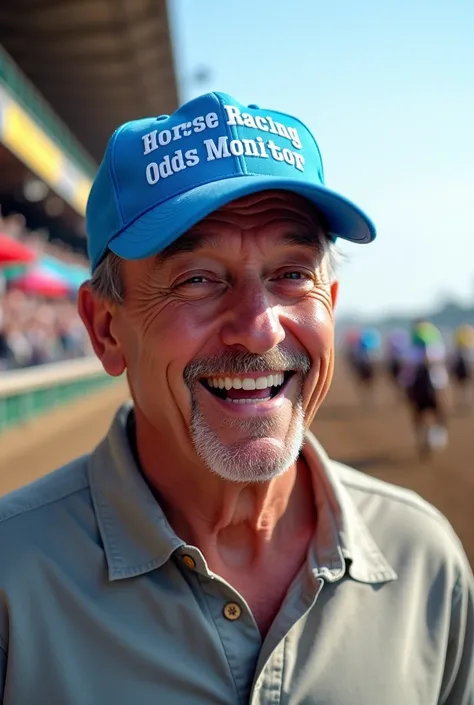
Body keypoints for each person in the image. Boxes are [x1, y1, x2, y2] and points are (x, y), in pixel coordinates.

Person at [0, 92, 472, 704]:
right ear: (106, 328)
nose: (260, 327)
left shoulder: (425, 561)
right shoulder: (13, 580)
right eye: (197, 279)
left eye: (292, 274)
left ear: (331, 299)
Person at [400, 320, 450, 456]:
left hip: (430, 367)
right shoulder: (422, 340)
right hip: (428, 371)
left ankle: (432, 435)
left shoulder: (428, 338)